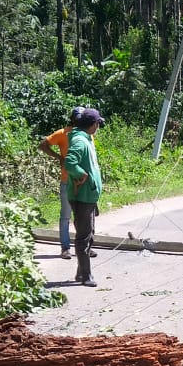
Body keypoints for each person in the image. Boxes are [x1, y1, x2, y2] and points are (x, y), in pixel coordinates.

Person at [37, 106, 87, 259]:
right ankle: (65, 248)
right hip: (67, 180)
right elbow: (43, 145)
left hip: (83, 180)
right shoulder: (62, 133)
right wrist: (59, 157)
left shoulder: (88, 134)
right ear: (72, 119)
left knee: (83, 217)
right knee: (66, 216)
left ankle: (85, 247)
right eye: (77, 119)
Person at [65, 107, 106, 287]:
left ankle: (81, 272)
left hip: (88, 195)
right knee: (83, 237)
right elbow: (70, 162)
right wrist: (82, 175)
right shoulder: (80, 141)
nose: (98, 126)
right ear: (92, 124)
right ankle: (86, 276)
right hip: (81, 196)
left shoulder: (86, 138)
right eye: (97, 123)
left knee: (88, 234)